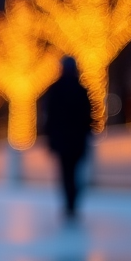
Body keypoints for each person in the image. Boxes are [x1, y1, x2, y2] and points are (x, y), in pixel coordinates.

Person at [43, 56, 94, 222]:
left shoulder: (55, 90)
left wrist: (50, 140)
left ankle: (69, 204)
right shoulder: (81, 89)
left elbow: (49, 118)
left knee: (67, 174)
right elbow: (88, 117)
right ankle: (72, 203)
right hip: (76, 141)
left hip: (64, 142)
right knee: (75, 173)